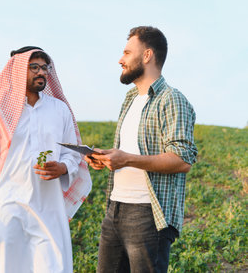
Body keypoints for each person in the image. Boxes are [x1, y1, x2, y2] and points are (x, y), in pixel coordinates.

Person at [0, 46, 92, 273]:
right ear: (17, 70)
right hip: (7, 207)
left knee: (55, 267)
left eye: (45, 68)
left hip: (49, 207)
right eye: (34, 67)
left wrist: (63, 167)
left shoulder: (59, 109)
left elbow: (73, 152)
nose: (41, 72)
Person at [85, 26, 198, 273]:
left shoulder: (171, 99)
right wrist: (107, 157)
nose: (120, 59)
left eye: (127, 52)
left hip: (148, 215)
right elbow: (130, 152)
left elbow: (182, 160)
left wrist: (126, 160)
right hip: (115, 208)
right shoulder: (130, 99)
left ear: (147, 56)